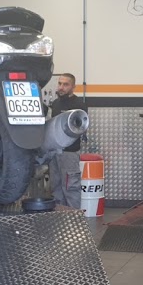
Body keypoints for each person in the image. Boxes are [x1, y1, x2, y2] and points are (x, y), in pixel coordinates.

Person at [48, 73, 88, 209]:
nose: (61, 87)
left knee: (71, 188)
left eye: (66, 84)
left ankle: (75, 218)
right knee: (56, 188)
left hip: (69, 153)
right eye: (60, 84)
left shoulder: (79, 105)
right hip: (54, 152)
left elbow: (80, 129)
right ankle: (60, 218)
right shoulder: (55, 104)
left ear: (73, 87)